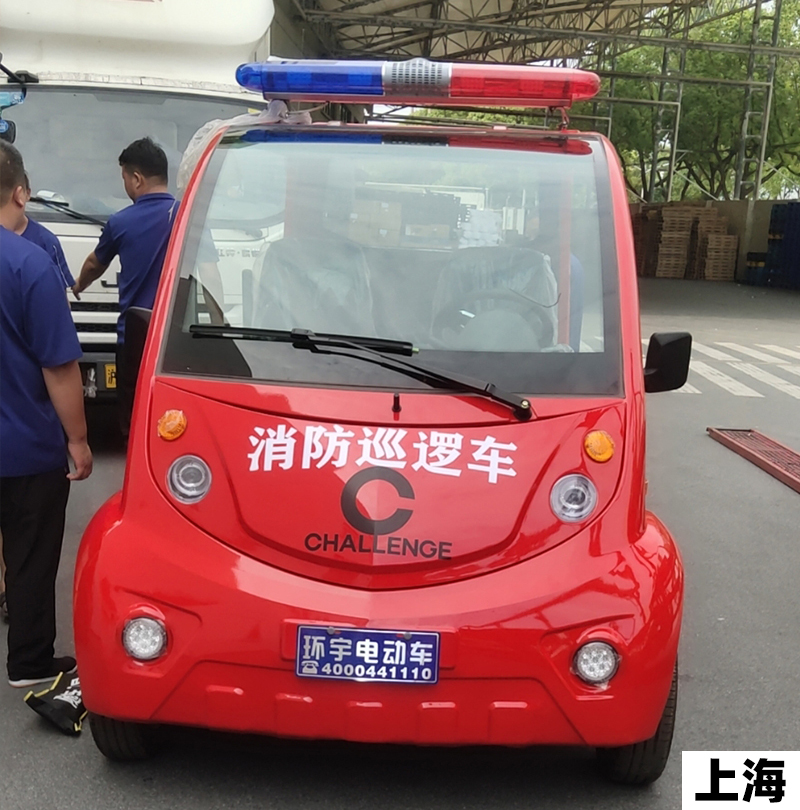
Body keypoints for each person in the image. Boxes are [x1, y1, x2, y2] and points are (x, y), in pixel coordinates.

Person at [0, 141, 93, 688]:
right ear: (19, 192)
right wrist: (78, 439)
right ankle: (29, 661)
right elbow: (58, 365)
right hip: (26, 447)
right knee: (31, 557)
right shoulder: (30, 262)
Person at [73, 137, 178, 439]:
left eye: (124, 178)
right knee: (173, 412)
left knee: (134, 419)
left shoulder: (121, 221)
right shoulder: (185, 214)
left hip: (134, 338)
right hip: (175, 338)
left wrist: (79, 286)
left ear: (136, 178)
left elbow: (94, 263)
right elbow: (208, 272)